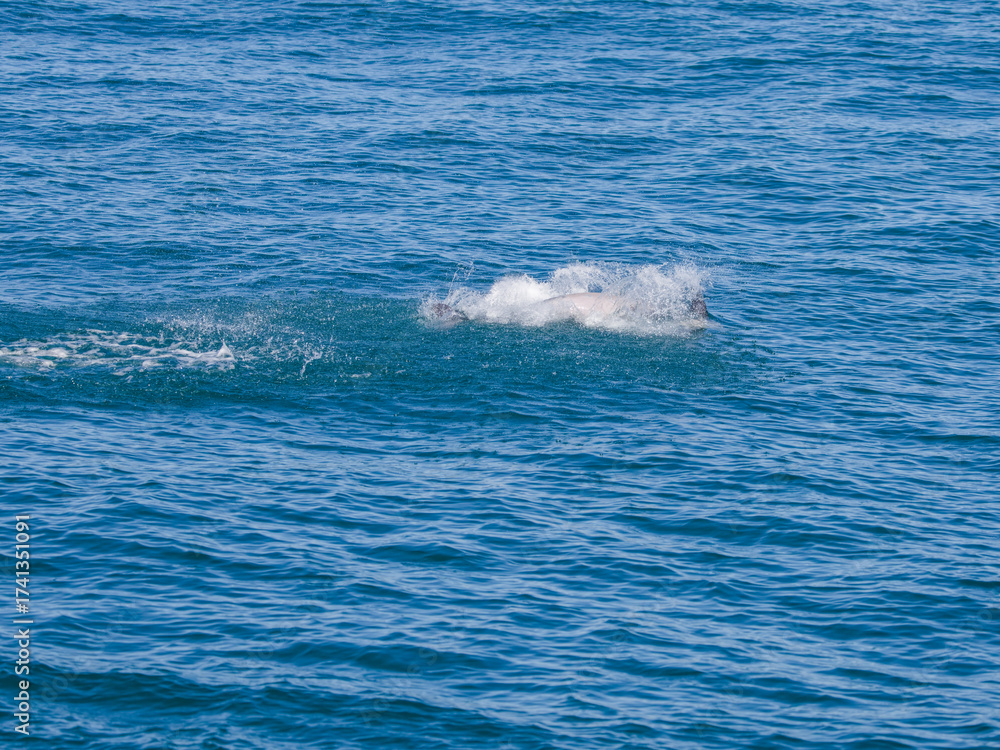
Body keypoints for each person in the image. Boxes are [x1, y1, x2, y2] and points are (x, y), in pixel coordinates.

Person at [427, 290, 708, 325]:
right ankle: (461, 319)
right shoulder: (641, 309)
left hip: (571, 300)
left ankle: (461, 317)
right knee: (516, 319)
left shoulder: (638, 303)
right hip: (572, 306)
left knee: (516, 316)